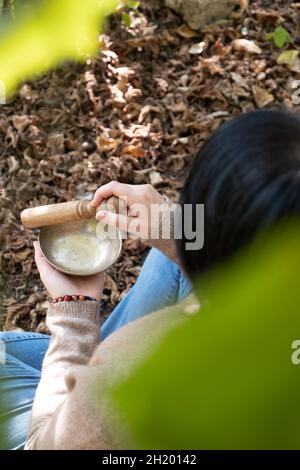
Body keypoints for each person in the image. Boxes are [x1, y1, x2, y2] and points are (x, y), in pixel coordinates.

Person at [0, 108, 300, 450]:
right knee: (168, 262)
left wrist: (74, 313)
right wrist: (174, 228)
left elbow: (44, 447)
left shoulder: (135, 368)